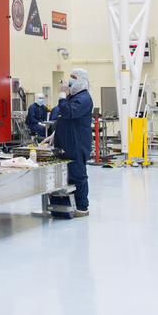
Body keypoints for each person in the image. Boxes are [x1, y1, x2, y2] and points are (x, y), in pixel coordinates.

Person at [50, 68, 93, 217]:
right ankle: (65, 206)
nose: (70, 80)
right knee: (66, 177)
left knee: (78, 176)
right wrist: (54, 135)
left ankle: (82, 208)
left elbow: (69, 112)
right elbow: (63, 116)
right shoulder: (73, 97)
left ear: (82, 80)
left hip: (77, 144)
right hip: (66, 144)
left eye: (73, 77)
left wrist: (62, 94)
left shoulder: (84, 99)